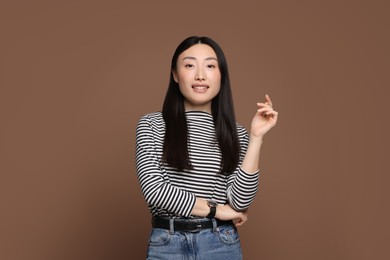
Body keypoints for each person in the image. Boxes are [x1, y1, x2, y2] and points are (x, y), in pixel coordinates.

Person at [135, 36, 278, 260]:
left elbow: (240, 201)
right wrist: (217, 210)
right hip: (167, 245)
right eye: (190, 65)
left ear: (221, 75)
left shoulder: (236, 134)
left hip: (220, 243)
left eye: (210, 66)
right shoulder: (152, 124)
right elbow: (155, 191)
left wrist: (256, 138)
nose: (200, 75)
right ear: (175, 74)